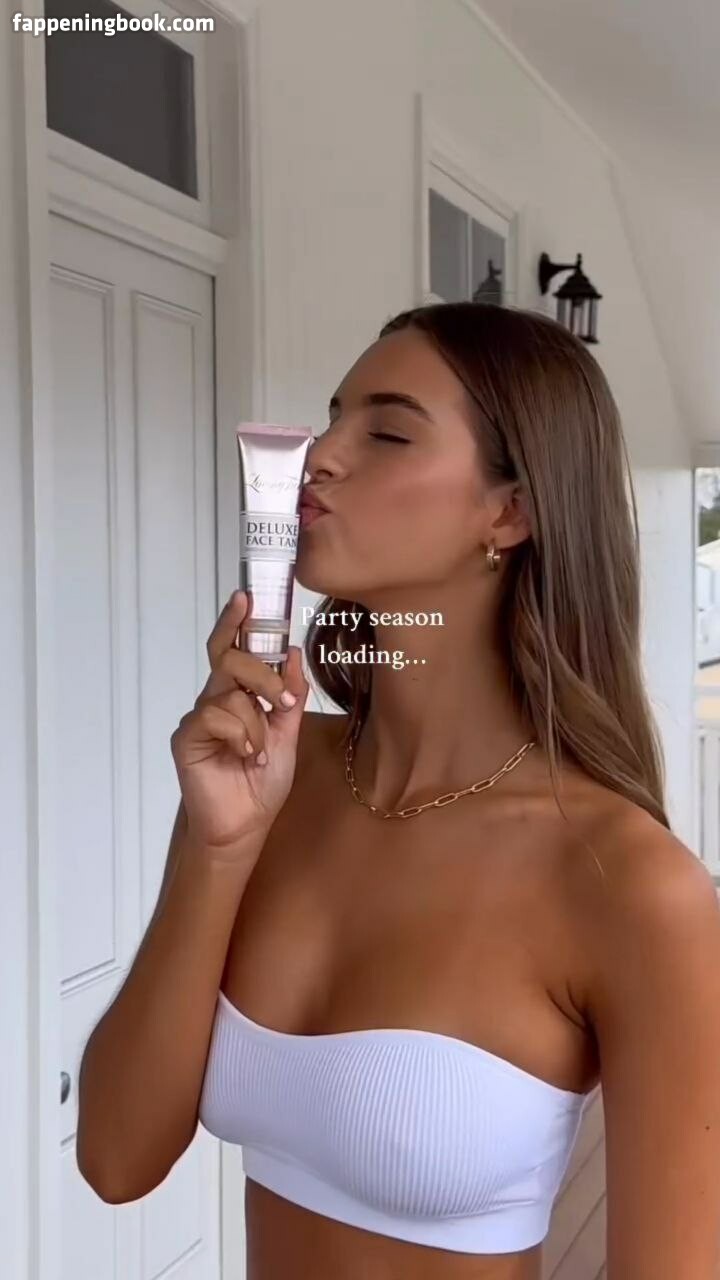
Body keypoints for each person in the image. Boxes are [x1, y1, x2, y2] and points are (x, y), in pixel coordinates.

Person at [76, 302, 720, 1279]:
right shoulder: (269, 781)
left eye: (385, 432)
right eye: (335, 417)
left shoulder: (630, 883)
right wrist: (217, 850)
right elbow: (116, 1158)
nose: (321, 456)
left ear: (508, 512)